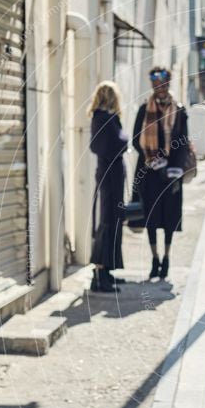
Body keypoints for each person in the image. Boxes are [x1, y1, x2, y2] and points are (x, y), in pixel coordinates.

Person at [132, 66, 190, 280]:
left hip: (171, 174)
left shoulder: (180, 111)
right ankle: (154, 258)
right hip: (149, 172)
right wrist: (152, 160)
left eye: (163, 84)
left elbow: (183, 142)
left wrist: (174, 167)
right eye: (156, 85)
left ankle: (166, 258)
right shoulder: (143, 110)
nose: (160, 88)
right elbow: (136, 141)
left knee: (168, 217)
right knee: (151, 217)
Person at [88, 81, 129, 293]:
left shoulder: (101, 118)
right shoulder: (104, 118)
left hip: (109, 177)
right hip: (109, 178)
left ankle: (105, 271)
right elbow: (117, 143)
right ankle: (99, 274)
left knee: (111, 221)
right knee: (107, 222)